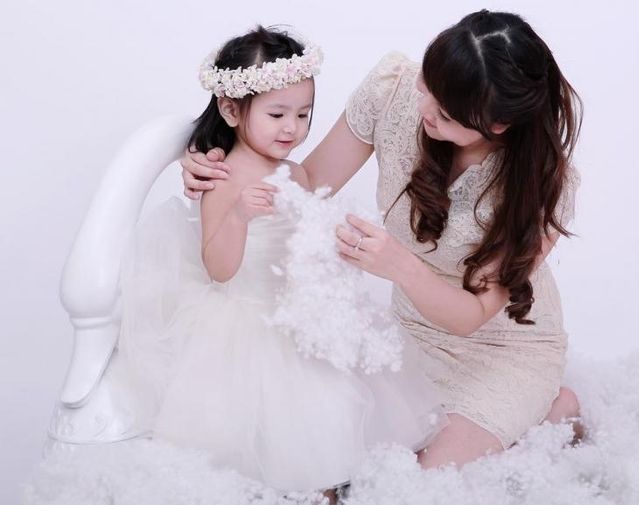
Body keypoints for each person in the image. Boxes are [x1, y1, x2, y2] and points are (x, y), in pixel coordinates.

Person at [181, 10, 584, 468]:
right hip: (409, 332)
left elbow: (471, 316)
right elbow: (304, 185)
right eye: (426, 86)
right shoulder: (392, 91)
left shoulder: (543, 188)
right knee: (341, 453)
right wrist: (215, 164)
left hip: (501, 349)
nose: (424, 109)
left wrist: (400, 266)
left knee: (420, 476)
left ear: (496, 125)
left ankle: (552, 409)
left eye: (445, 113)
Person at [120, 26, 444, 493]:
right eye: (276, 114)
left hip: (297, 312)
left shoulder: (295, 172)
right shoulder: (223, 176)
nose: (292, 128)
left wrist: (334, 246)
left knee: (330, 409)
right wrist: (237, 215)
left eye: (303, 114)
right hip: (247, 318)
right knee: (270, 422)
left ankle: (328, 484)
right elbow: (219, 270)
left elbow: (304, 237)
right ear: (231, 110)